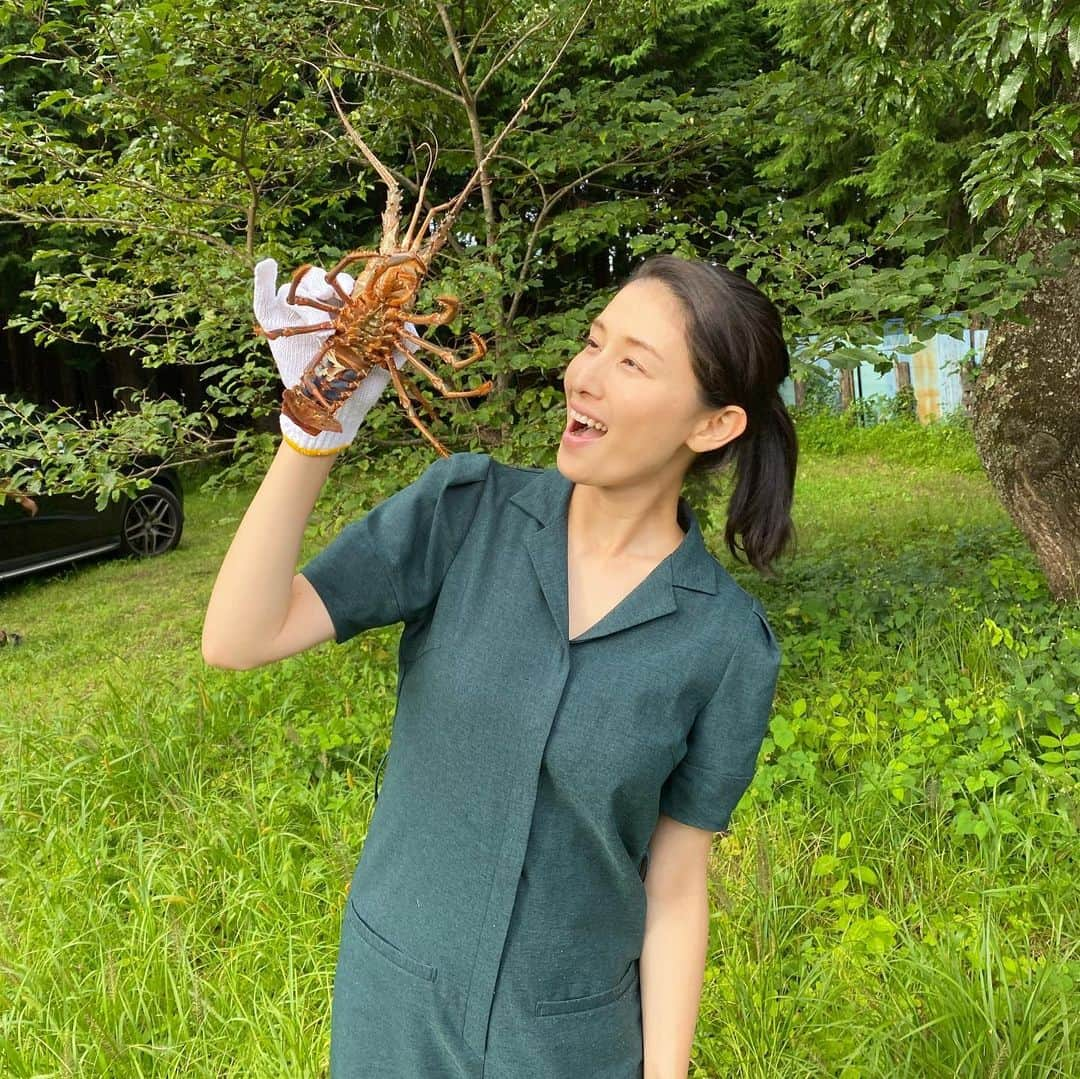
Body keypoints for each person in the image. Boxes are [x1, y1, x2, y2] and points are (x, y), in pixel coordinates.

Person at [202, 252, 798, 1078]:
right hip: (394, 1013)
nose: (584, 376)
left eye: (632, 362)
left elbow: (675, 884)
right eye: (593, 342)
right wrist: (312, 431)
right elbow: (239, 636)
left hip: (565, 1040)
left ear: (712, 425)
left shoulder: (726, 643)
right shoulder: (465, 511)